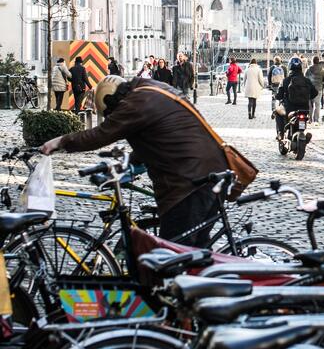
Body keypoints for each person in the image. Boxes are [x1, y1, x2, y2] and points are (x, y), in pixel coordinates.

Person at [39, 75, 227, 248]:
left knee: (172, 255)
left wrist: (60, 141)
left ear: (112, 102)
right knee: (197, 251)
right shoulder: (150, 89)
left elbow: (101, 134)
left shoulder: (136, 103)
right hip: (213, 173)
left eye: (111, 113)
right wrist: (128, 163)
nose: (112, 117)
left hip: (189, 184)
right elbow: (159, 140)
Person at [275, 56, 317, 137]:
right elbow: (315, 93)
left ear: (289, 66)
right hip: (304, 110)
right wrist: (307, 96)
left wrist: (277, 96)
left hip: (289, 110)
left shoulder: (285, 81)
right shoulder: (307, 81)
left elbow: (279, 96)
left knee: (277, 112)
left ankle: (281, 133)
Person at [305, 56, 324, 124]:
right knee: (317, 104)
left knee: (310, 105)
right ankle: (316, 119)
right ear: (318, 61)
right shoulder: (322, 69)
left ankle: (310, 119)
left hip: (310, 89)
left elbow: (305, 78)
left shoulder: (308, 69)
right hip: (319, 89)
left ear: (312, 61)